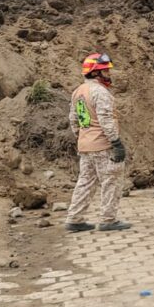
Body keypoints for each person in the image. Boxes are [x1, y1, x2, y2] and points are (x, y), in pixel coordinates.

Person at [64, 53, 131, 233]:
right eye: (105, 70)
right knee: (111, 180)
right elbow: (105, 120)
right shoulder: (100, 92)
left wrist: (83, 137)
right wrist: (116, 143)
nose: (109, 73)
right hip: (103, 146)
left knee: (85, 182)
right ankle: (109, 220)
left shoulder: (78, 92)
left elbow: (74, 120)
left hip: (86, 146)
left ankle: (74, 219)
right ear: (95, 73)